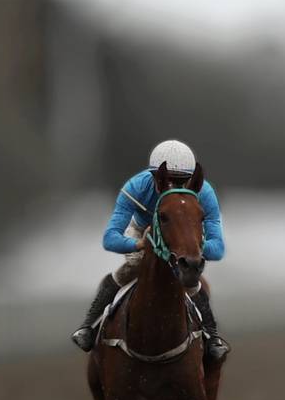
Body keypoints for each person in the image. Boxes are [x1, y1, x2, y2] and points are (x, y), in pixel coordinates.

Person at [70, 139, 229, 363]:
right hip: (143, 232)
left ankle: (212, 337)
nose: (174, 187)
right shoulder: (136, 187)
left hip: (181, 234)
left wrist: (190, 244)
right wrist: (139, 245)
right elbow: (111, 238)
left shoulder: (205, 192)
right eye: (167, 180)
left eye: (182, 181)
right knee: (133, 266)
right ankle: (89, 326)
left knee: (190, 277)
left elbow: (218, 249)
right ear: (155, 176)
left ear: (192, 179)